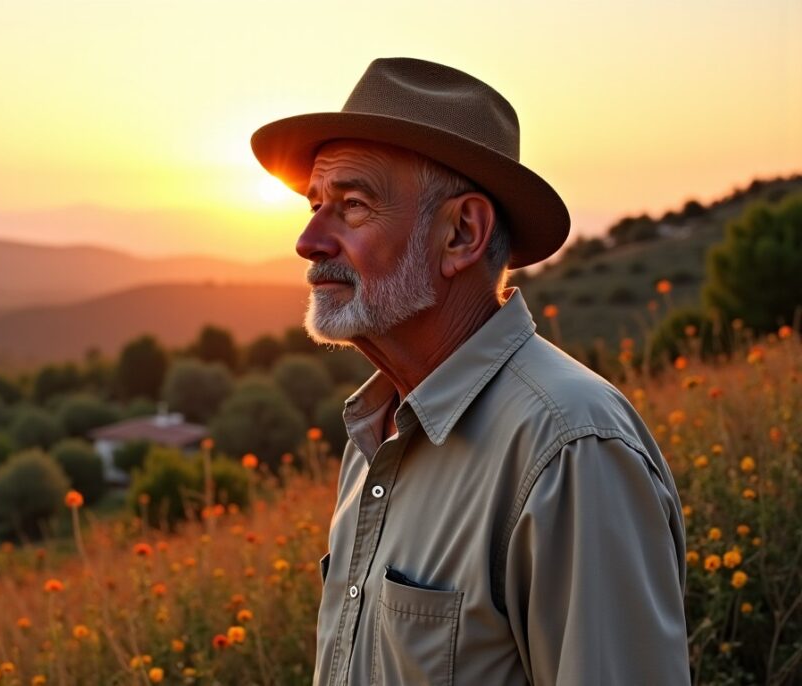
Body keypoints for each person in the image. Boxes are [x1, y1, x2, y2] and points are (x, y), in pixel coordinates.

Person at [250, 58, 689, 685]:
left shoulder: (570, 449)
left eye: (351, 205)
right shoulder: (376, 435)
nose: (309, 239)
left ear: (461, 233)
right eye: (315, 204)